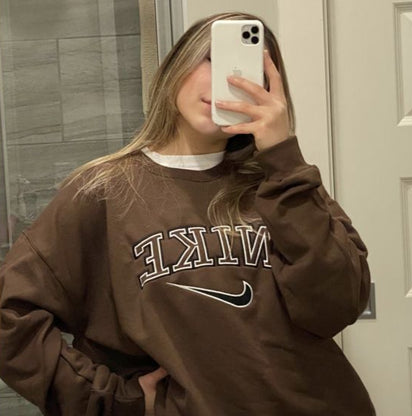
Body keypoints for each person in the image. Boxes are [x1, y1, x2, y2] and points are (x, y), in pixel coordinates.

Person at [0, 11, 376, 416]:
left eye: (249, 72)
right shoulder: (102, 191)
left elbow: (336, 308)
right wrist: (109, 401)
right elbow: (11, 318)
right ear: (177, 65)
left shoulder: (286, 184)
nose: (228, 81)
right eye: (211, 59)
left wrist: (283, 158)